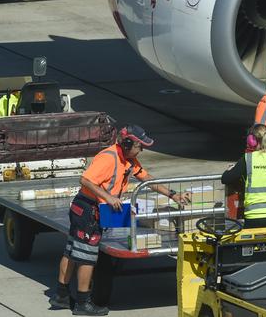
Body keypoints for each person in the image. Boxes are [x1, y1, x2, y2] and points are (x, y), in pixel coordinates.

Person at [51, 124, 190, 315]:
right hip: (87, 209)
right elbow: (85, 180)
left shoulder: (129, 160)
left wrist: (173, 195)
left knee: (72, 251)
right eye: (139, 146)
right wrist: (108, 198)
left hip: (89, 209)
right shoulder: (109, 158)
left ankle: (61, 295)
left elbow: (146, 178)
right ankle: (82, 303)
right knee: (86, 257)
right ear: (127, 143)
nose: (141, 150)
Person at [221, 124, 266, 229]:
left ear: (252, 141)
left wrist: (230, 170)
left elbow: (226, 179)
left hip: (255, 216)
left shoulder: (248, 159)